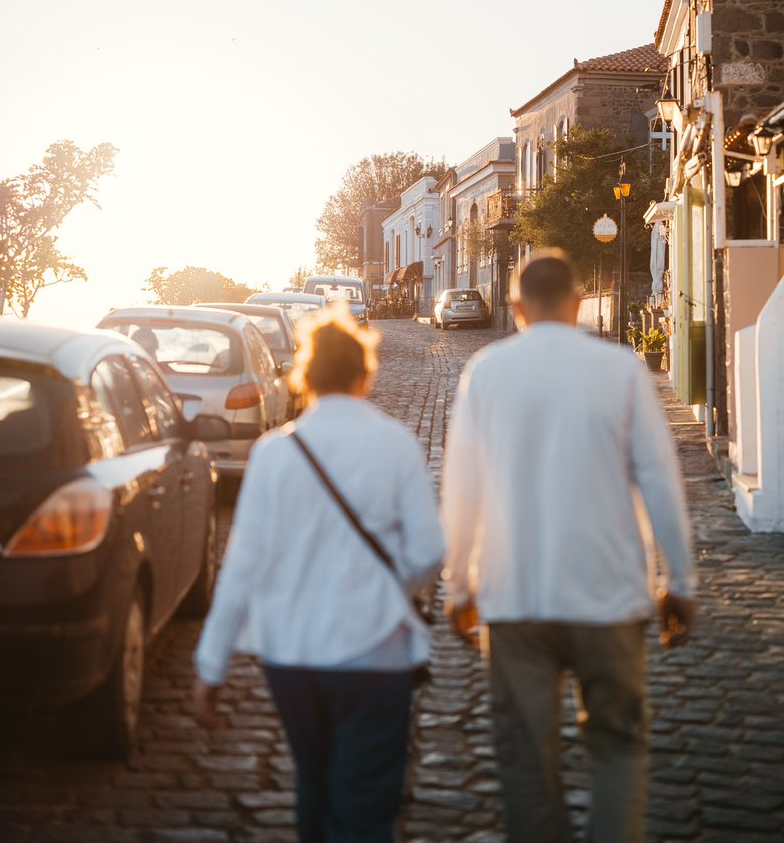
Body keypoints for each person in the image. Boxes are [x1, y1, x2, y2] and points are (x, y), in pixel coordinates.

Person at [441, 250, 696, 843]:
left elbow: (462, 489)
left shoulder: (486, 372)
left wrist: (459, 585)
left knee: (526, 763)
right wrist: (679, 582)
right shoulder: (622, 370)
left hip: (515, 598)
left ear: (515, 307)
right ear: (579, 304)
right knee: (618, 748)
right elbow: (661, 480)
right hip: (608, 596)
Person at [193, 303, 445, 843]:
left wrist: (211, 666)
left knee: (314, 783)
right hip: (376, 656)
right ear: (365, 373)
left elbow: (240, 568)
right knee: (366, 805)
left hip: (293, 657)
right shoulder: (395, 444)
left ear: (304, 376)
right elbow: (428, 551)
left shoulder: (273, 453)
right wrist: (387, 590)